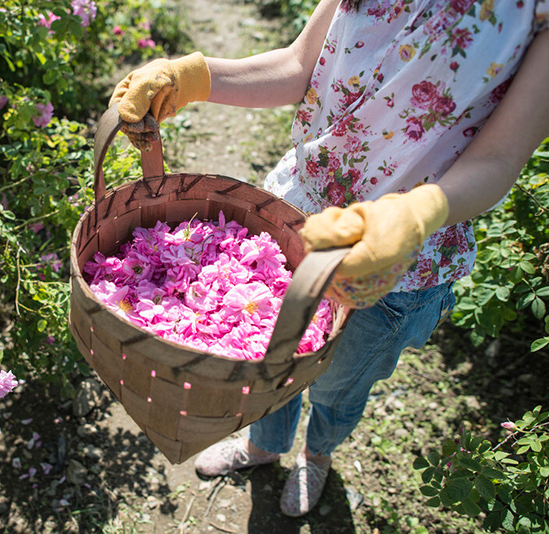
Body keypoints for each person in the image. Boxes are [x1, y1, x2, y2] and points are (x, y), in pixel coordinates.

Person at [108, 0, 549, 518]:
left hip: (395, 259)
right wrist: (193, 77)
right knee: (267, 362)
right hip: (294, 217)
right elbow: (301, 66)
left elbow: (500, 158)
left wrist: (418, 212)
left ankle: (317, 456)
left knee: (339, 384)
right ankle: (264, 447)